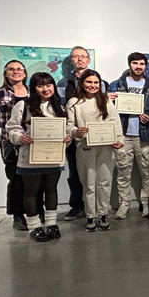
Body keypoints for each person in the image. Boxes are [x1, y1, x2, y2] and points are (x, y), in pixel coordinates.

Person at [6, 72, 72, 242]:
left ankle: (51, 224)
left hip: (53, 157)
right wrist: (20, 137)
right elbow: (12, 128)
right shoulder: (23, 105)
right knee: (31, 192)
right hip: (30, 158)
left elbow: (65, 131)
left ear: (53, 87)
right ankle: (34, 226)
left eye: (49, 85)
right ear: (34, 87)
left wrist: (67, 139)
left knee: (51, 190)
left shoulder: (59, 107)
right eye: (40, 85)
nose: (45, 89)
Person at [66, 69, 124, 232]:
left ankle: (103, 215)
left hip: (105, 147)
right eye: (89, 82)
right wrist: (77, 131)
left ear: (100, 84)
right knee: (89, 183)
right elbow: (69, 125)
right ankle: (90, 216)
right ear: (82, 83)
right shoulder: (74, 103)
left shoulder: (105, 101)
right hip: (85, 147)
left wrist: (119, 139)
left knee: (105, 182)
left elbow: (115, 122)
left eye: (96, 83)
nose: (92, 85)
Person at [58, 46, 107, 221]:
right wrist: (71, 131)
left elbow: (107, 113)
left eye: (83, 56)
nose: (79, 59)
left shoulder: (101, 83)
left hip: (101, 140)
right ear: (71, 60)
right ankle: (78, 206)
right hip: (77, 139)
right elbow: (61, 110)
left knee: (100, 177)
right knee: (76, 174)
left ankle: (99, 212)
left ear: (88, 59)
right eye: (76, 57)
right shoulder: (63, 84)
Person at [108, 52, 149, 219]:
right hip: (123, 134)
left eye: (142, 64)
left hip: (143, 134)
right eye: (135, 63)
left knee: (147, 170)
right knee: (123, 171)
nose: (138, 66)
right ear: (130, 64)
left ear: (146, 66)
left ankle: (146, 203)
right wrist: (108, 99)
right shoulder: (116, 84)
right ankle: (124, 204)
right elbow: (106, 108)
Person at [0, 60, 30, 230]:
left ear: (24, 74)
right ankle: (18, 215)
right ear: (6, 73)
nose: (16, 72)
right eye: (11, 69)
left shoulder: (33, 92)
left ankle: (34, 212)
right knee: (16, 179)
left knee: (33, 179)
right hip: (10, 143)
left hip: (32, 142)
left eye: (19, 69)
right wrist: (6, 128)